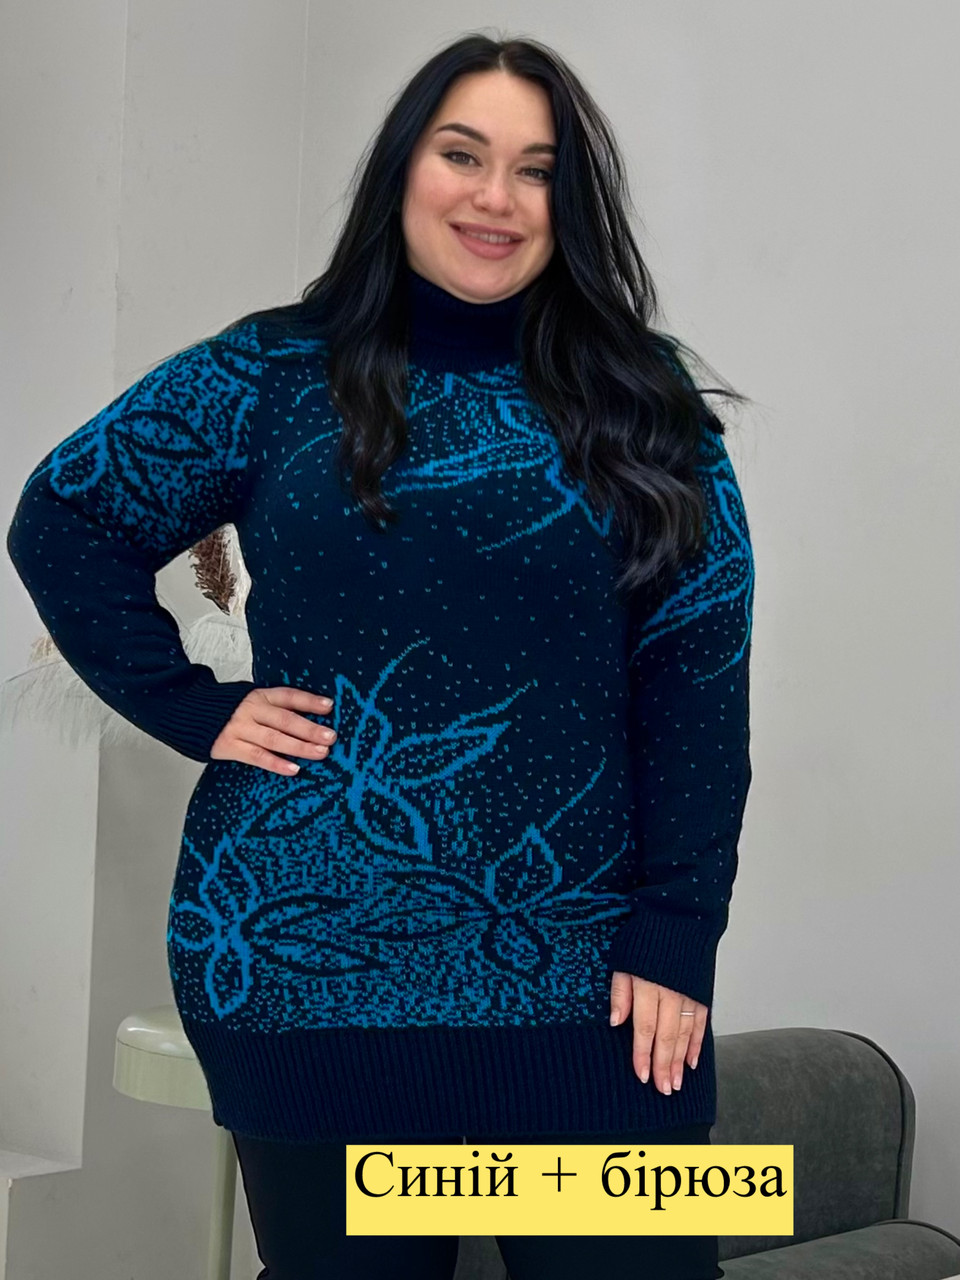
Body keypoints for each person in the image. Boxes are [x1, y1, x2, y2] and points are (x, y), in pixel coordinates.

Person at [6, 29, 754, 1280]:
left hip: (586, 977)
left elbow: (696, 674)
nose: (496, 195)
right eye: (463, 153)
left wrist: (679, 926)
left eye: (536, 169)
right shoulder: (270, 372)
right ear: (404, 166)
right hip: (309, 960)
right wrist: (196, 706)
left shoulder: (645, 400)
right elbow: (65, 516)